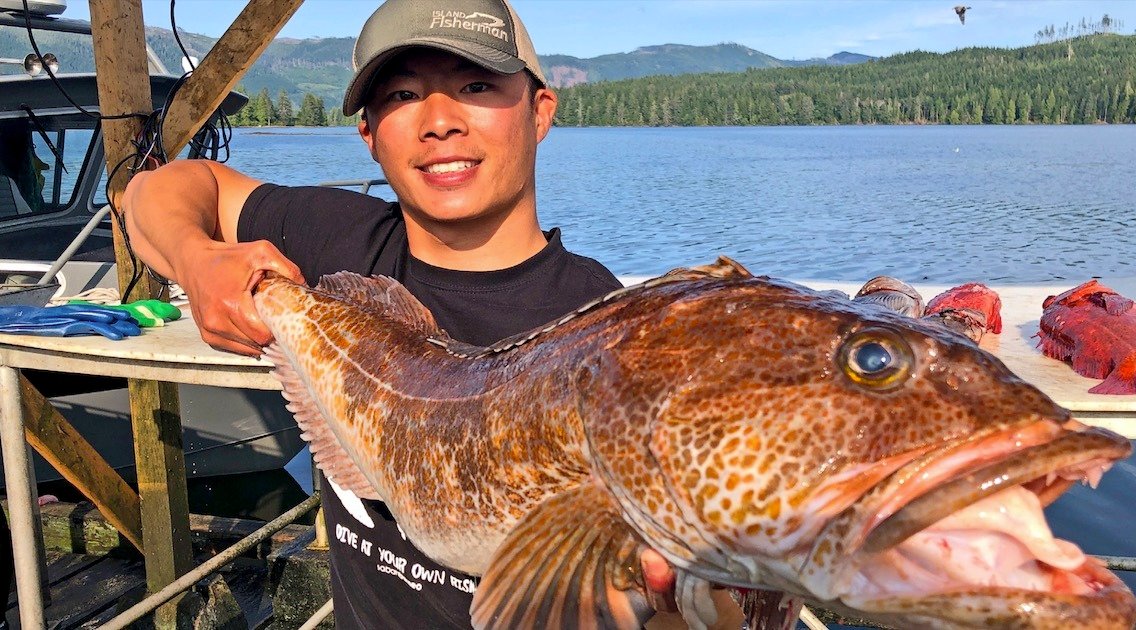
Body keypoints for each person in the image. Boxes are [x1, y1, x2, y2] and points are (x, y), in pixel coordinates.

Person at [124, 1, 742, 627]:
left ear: (540, 111)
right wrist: (198, 257)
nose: (440, 121)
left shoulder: (606, 332)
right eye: (403, 94)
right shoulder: (338, 239)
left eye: (476, 85)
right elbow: (155, 190)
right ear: (369, 135)